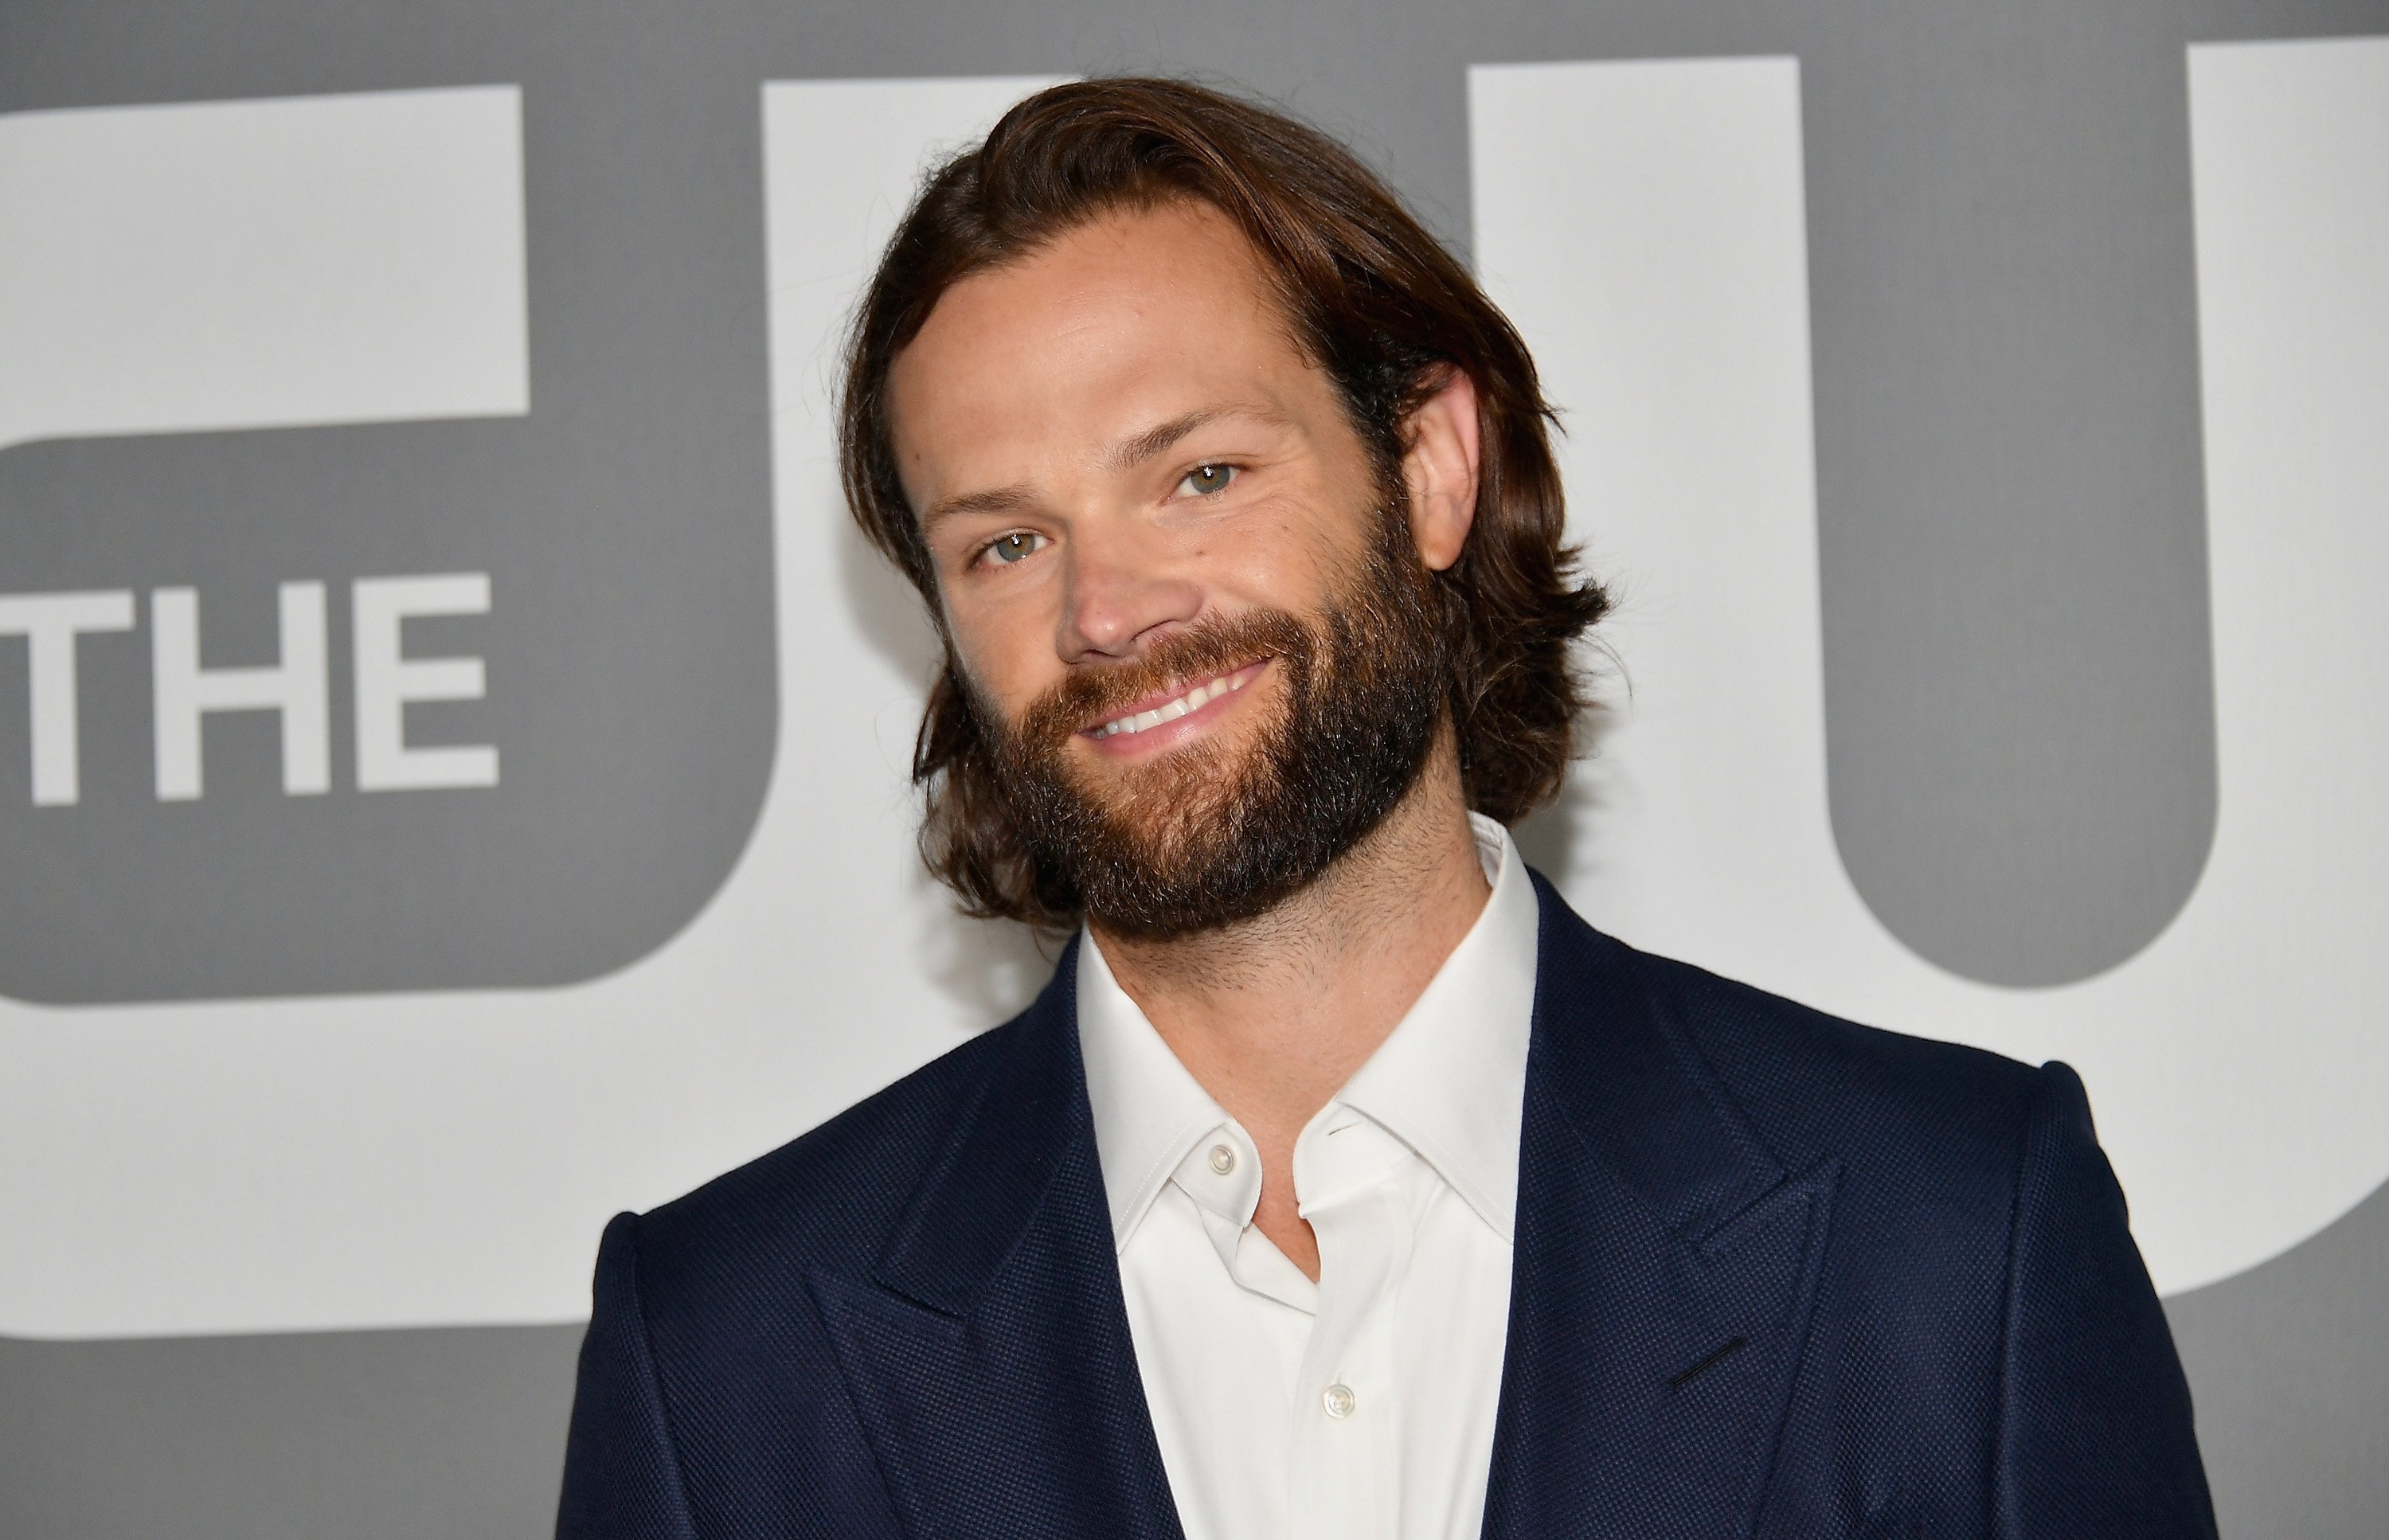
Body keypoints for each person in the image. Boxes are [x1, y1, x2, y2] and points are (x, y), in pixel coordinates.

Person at [555, 77, 2215, 1539]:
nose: (1105, 614)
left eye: (1199, 475)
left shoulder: (1951, 1237)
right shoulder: (722, 1353)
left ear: (1428, 466)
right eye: (1005, 541)